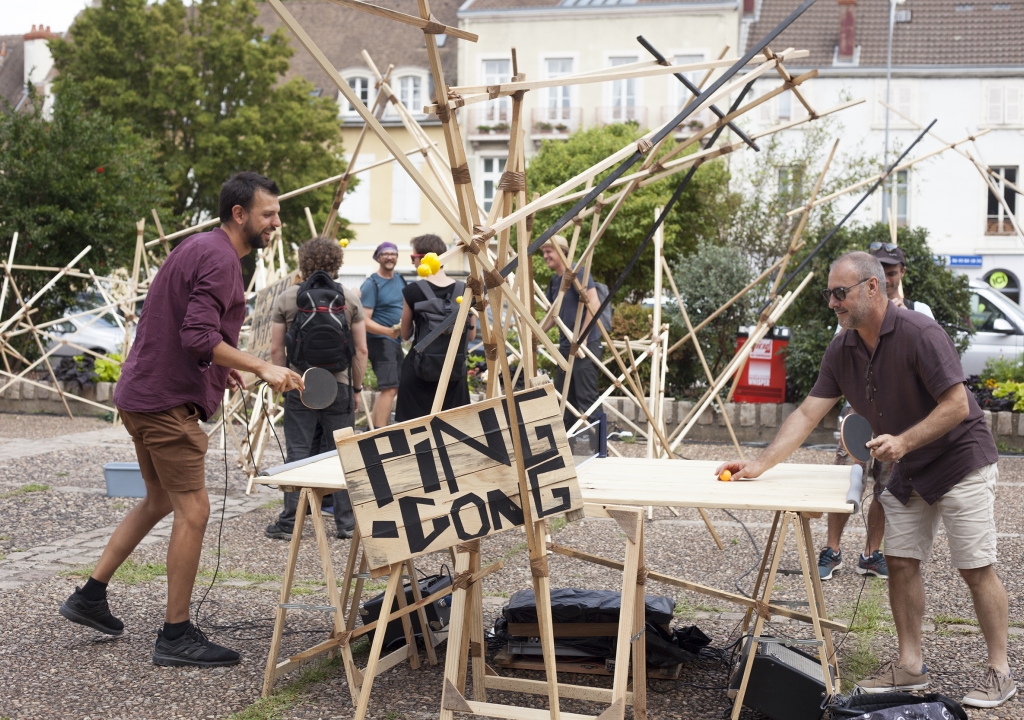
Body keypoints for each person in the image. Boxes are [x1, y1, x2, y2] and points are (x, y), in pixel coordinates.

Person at [716, 251, 1014, 708]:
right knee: (899, 561)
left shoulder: (919, 333)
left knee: (975, 568)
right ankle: (910, 665)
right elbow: (808, 412)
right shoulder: (843, 347)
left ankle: (1000, 672)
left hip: (961, 461)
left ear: (873, 288)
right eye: (829, 294)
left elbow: (957, 405)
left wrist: (904, 442)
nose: (833, 302)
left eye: (841, 293)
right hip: (910, 467)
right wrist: (761, 464)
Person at [59, 172, 302, 667]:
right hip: (166, 404)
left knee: (159, 500)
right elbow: (196, 336)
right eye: (268, 214)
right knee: (194, 510)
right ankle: (175, 635)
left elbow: (187, 331)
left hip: (141, 395)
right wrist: (260, 365)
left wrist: (223, 367)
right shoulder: (220, 259)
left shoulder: (197, 247)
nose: (276, 222)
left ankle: (89, 596)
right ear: (240, 214)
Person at [819, 243, 935, 581]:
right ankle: (832, 549)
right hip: (857, 411)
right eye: (880, 269)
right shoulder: (852, 305)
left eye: (892, 271)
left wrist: (900, 316)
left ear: (901, 274)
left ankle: (871, 553)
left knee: (886, 487)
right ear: (871, 279)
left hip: (898, 418)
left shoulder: (919, 311)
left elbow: (932, 358)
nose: (886, 275)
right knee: (847, 480)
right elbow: (842, 344)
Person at [264, 236, 368, 541]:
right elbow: (361, 351)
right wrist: (357, 388)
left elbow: (274, 350)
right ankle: (346, 523)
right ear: (337, 263)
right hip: (340, 385)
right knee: (342, 454)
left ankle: (289, 523)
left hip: (300, 384)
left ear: (303, 262)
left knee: (297, 451)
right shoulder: (349, 299)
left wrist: (284, 383)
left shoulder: (287, 298)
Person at [394, 234, 476, 422]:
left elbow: (405, 335)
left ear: (423, 259)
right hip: (454, 373)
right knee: (453, 435)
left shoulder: (413, 291)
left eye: (413, 257)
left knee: (415, 434)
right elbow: (470, 336)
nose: (413, 262)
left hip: (419, 372)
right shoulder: (465, 289)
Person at [541, 235, 603, 430]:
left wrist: (582, 338)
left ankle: (600, 447)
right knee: (564, 399)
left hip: (585, 344)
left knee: (586, 397)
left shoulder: (577, 273)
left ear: (562, 252)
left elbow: (594, 304)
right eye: (544, 252)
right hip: (566, 347)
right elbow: (554, 314)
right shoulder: (554, 282)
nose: (545, 256)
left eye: (549, 251)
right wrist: (536, 333)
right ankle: (570, 446)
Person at [359, 242, 406, 428]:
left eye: (393, 254)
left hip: (394, 341)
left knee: (395, 387)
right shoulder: (372, 284)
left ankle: (373, 427)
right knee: (390, 386)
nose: (389, 257)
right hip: (380, 341)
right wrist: (388, 331)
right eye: (385, 254)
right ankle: (379, 433)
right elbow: (364, 320)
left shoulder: (400, 280)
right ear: (378, 257)